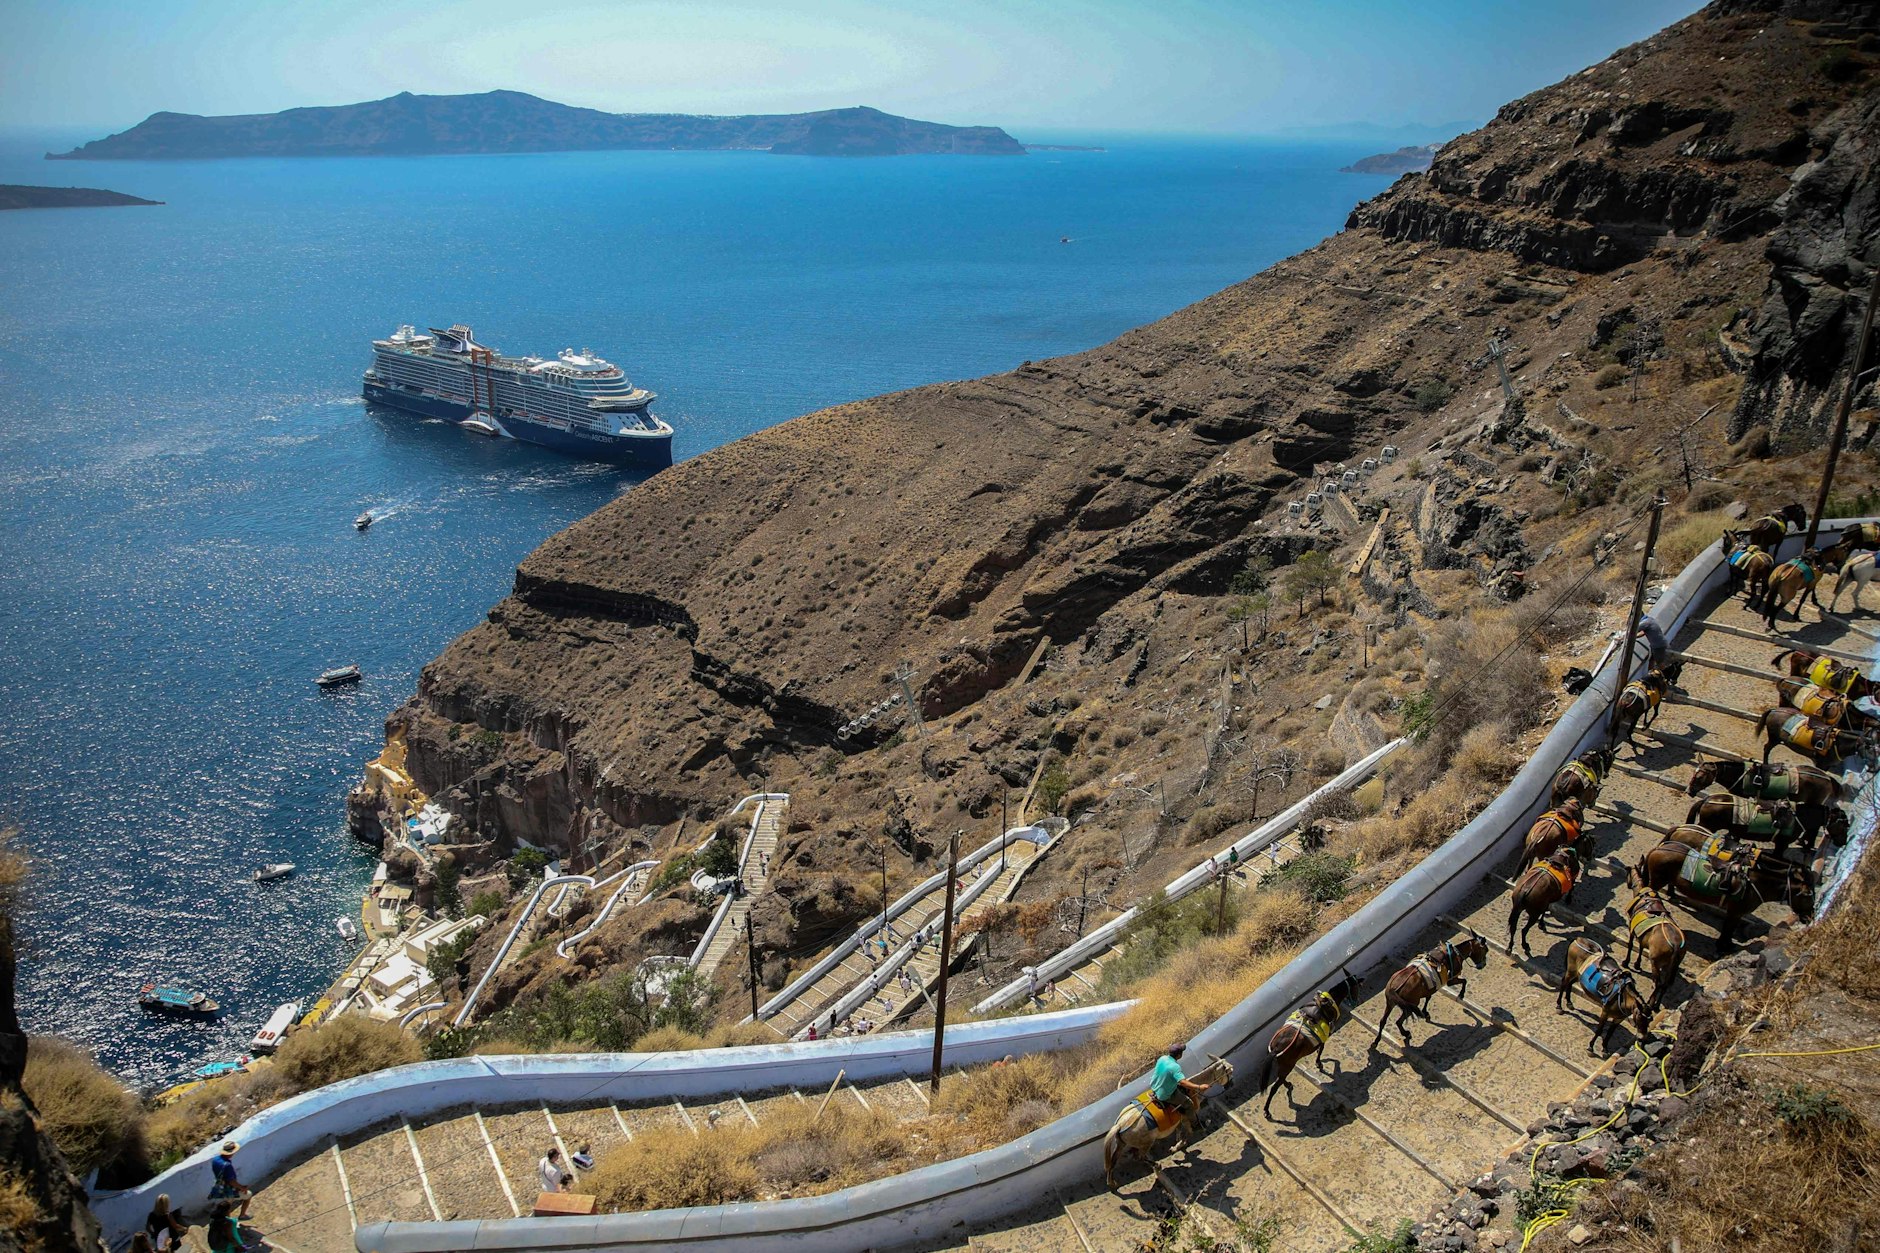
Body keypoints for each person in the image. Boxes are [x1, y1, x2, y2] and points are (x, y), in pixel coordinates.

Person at [1149, 1042, 1209, 1115]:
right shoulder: (1175, 1067)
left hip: (1154, 1087)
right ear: (1179, 1055)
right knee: (1189, 1104)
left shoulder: (1162, 1058)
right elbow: (1182, 1082)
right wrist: (1199, 1087)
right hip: (1164, 1095)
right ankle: (1194, 1121)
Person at [209, 1141, 251, 1219]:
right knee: (248, 1195)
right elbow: (231, 1181)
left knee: (227, 1205)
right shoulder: (227, 1165)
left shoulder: (215, 1160)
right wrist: (242, 1188)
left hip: (219, 1187)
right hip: (228, 1189)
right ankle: (242, 1215)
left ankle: (228, 1220)